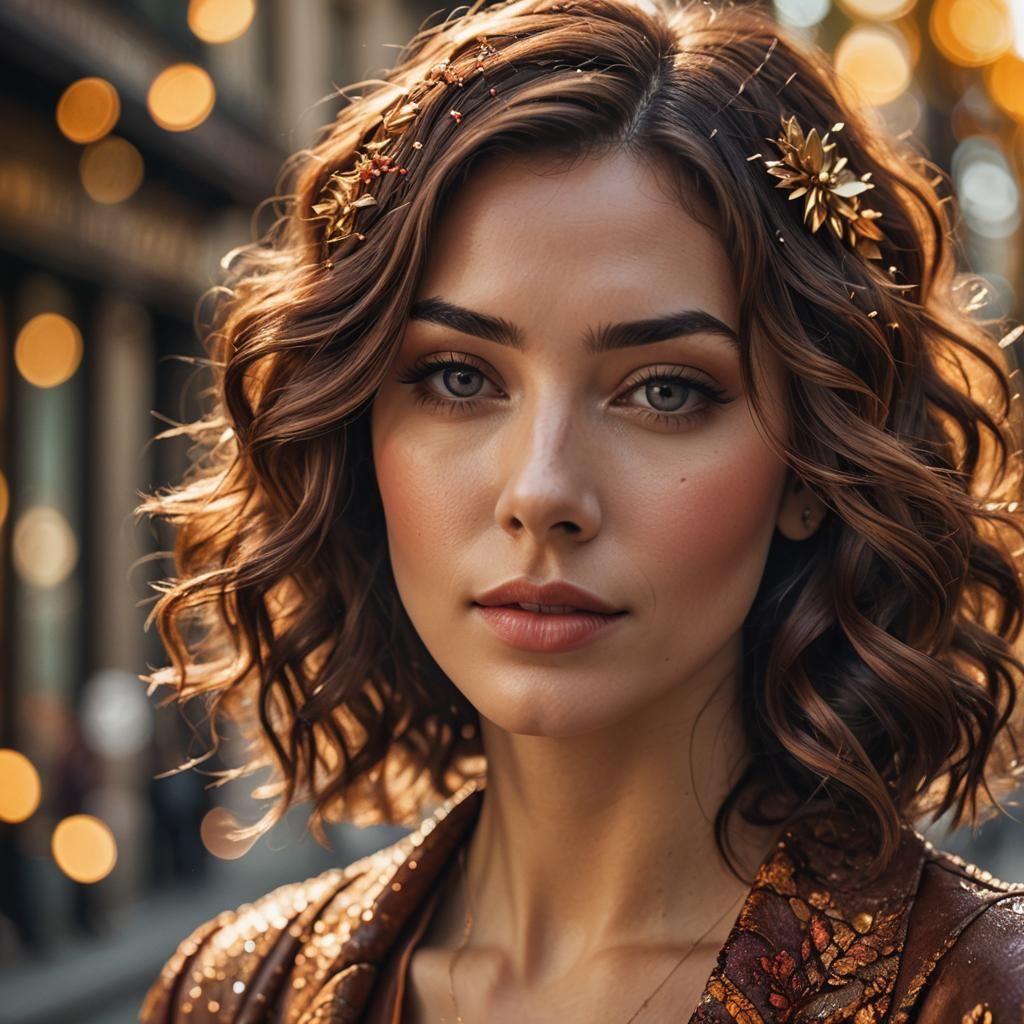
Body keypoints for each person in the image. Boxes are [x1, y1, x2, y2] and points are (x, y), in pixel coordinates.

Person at [136, 1, 1024, 1021]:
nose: (542, 491)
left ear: (812, 469)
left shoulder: (978, 994)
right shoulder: (229, 994)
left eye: (664, 390)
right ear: (356, 432)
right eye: (459, 376)